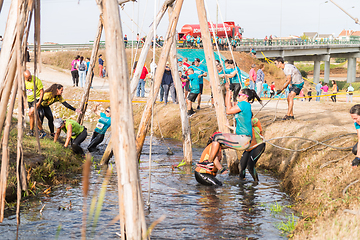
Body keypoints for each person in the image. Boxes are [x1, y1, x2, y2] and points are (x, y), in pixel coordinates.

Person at [202, 86, 262, 171]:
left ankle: (209, 162)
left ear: (245, 97)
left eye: (239, 95)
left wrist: (228, 95)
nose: (238, 97)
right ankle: (219, 168)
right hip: (242, 139)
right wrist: (228, 95)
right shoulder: (244, 105)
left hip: (243, 139)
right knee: (215, 144)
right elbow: (229, 108)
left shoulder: (244, 104)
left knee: (217, 137)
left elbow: (228, 111)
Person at [239, 117, 265, 182]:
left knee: (250, 166)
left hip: (258, 146)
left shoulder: (255, 120)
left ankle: (256, 182)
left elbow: (249, 123)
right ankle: (242, 183)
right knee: (241, 166)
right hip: (249, 148)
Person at [24, 70, 46, 138]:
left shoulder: (36, 80)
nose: (30, 79)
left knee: (30, 113)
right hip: (29, 100)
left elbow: (42, 91)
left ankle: (37, 131)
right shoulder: (22, 82)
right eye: (28, 78)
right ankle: (37, 131)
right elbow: (23, 91)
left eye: (30, 76)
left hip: (36, 99)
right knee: (34, 115)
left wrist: (39, 101)